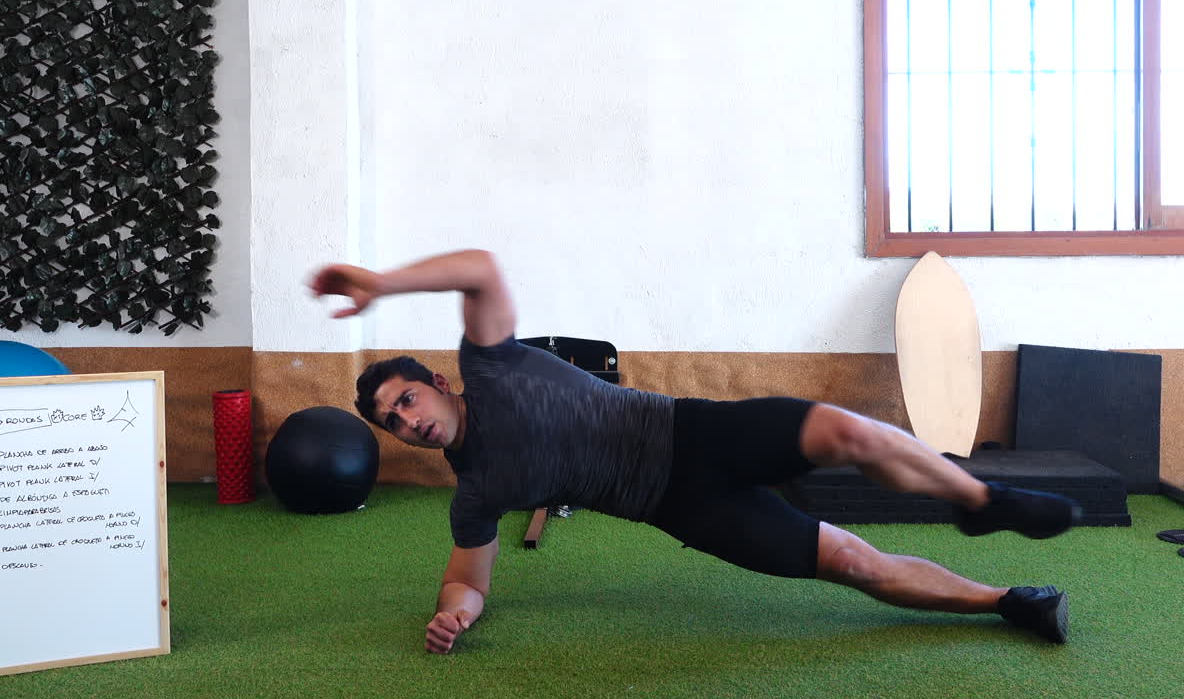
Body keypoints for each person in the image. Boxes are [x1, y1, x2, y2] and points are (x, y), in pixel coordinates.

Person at [309, 249, 1080, 654]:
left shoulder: (491, 360)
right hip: (681, 505)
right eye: (393, 424)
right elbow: (465, 582)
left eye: (407, 400)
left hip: (692, 429)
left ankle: (981, 502)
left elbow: (478, 265)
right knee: (851, 562)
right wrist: (456, 618)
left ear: (437, 383)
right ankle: (1008, 601)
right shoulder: (475, 490)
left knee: (846, 431)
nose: (408, 422)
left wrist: (381, 282)